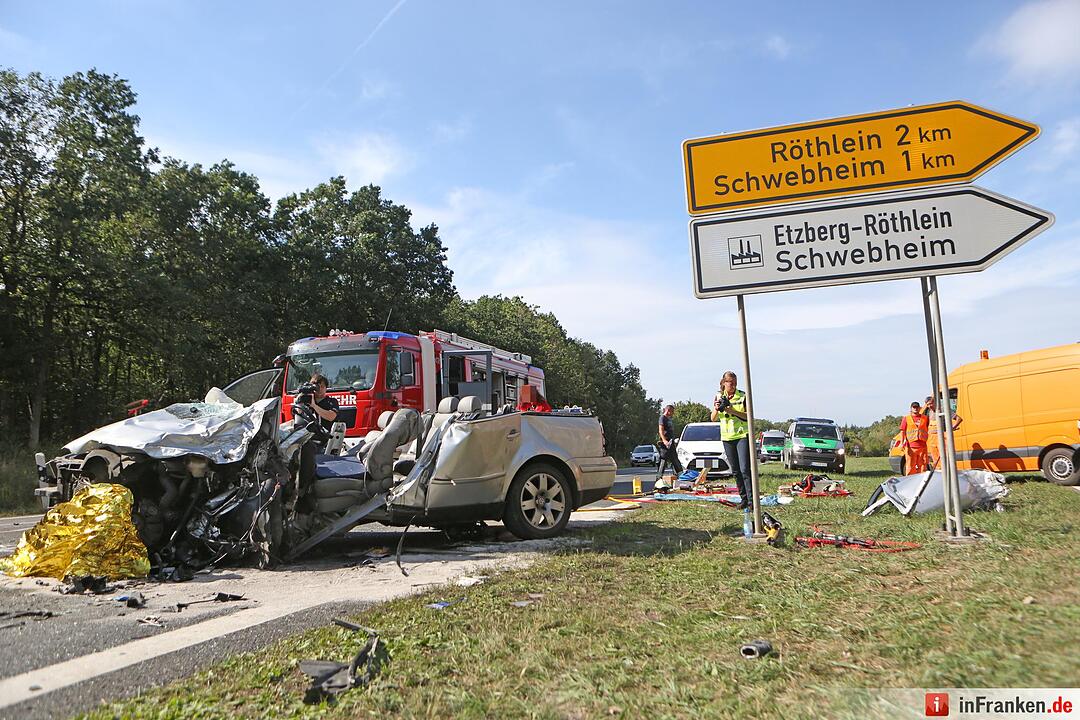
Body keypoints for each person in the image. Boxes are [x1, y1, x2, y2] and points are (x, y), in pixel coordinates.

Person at [711, 371, 752, 509]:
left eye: (735, 383)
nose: (733, 385)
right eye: (730, 382)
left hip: (741, 435)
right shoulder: (718, 396)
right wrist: (717, 408)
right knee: (735, 470)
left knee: (745, 469)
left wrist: (731, 410)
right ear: (723, 383)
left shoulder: (743, 396)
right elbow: (713, 418)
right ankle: (744, 499)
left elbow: (749, 417)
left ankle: (752, 501)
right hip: (727, 437)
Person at [924, 394, 963, 470]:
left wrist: (951, 428)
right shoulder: (929, 412)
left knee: (943, 457)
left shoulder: (943, 409)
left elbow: (959, 419)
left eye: (931, 403)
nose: (930, 406)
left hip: (941, 437)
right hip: (932, 439)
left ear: (935, 402)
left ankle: (947, 474)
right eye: (928, 404)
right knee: (935, 459)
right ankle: (939, 474)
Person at [898, 400, 929, 475]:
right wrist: (902, 443)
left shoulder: (925, 418)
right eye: (914, 407)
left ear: (919, 408)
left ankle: (922, 482)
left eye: (917, 407)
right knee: (910, 466)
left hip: (923, 446)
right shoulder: (906, 418)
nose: (915, 408)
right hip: (911, 447)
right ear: (911, 408)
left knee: (922, 466)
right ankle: (910, 481)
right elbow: (902, 431)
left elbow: (928, 428)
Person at [657, 404, 682, 477]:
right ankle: (659, 478)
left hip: (671, 442)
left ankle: (680, 475)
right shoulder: (662, 418)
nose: (673, 413)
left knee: (674, 459)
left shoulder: (669, 419)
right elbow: (661, 431)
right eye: (672, 412)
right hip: (665, 443)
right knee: (663, 460)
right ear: (668, 411)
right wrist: (664, 441)